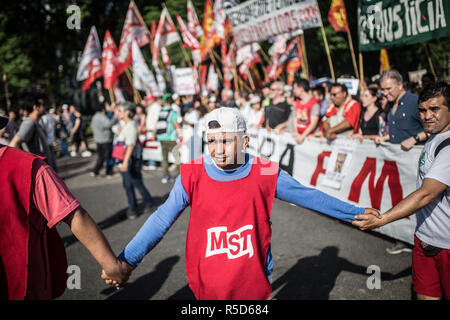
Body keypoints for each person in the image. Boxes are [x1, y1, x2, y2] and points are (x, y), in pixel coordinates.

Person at [102, 107, 379, 299]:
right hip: (206, 283)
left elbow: (307, 195)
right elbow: (162, 218)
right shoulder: (191, 173)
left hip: (251, 282)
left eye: (226, 141)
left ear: (244, 141)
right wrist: (127, 261)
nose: (218, 150)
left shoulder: (266, 170)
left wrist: (354, 213)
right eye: (211, 141)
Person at [0, 114, 130, 300]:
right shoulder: (28, 167)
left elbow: (73, 215)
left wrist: (110, 265)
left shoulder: (28, 168)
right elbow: (74, 215)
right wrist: (112, 266)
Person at [353, 82, 450, 300]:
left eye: (435, 109)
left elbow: (426, 193)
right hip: (424, 240)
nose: (427, 116)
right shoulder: (434, 136)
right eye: (423, 110)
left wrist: (382, 219)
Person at [116, 101, 154, 220]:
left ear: (127, 112)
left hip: (131, 160)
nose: (118, 113)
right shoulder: (127, 125)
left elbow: (131, 145)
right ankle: (133, 207)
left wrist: (125, 163)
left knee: (136, 183)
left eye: (120, 110)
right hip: (126, 160)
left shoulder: (131, 126)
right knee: (128, 185)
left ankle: (148, 204)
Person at [377, 69, 427, 151]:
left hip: (416, 157)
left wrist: (415, 138)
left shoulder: (415, 102)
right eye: (383, 89)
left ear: (400, 85)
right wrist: (384, 138)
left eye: (388, 89)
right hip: (397, 159)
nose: (385, 93)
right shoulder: (389, 104)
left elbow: (434, 129)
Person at [9, 90, 55, 168]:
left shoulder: (36, 124)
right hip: (37, 171)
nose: (45, 107)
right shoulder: (29, 123)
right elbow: (13, 144)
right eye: (43, 104)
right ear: (35, 107)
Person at [156, 94, 182, 184]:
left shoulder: (160, 111)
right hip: (170, 137)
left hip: (161, 137)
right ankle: (181, 175)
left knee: (164, 158)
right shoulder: (172, 112)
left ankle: (165, 176)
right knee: (177, 156)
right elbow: (175, 124)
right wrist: (181, 134)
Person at [90, 103, 117, 177]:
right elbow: (108, 124)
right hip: (105, 139)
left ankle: (95, 171)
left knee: (101, 156)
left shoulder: (95, 116)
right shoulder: (101, 116)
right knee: (109, 157)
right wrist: (115, 117)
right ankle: (109, 172)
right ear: (103, 109)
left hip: (98, 140)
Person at [292, 78, 320, 144]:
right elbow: (295, 119)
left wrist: (303, 136)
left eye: (295, 88)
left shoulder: (314, 103)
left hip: (309, 139)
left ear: (301, 89)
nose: (294, 91)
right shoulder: (298, 102)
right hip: (299, 136)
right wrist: (296, 132)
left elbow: (313, 123)